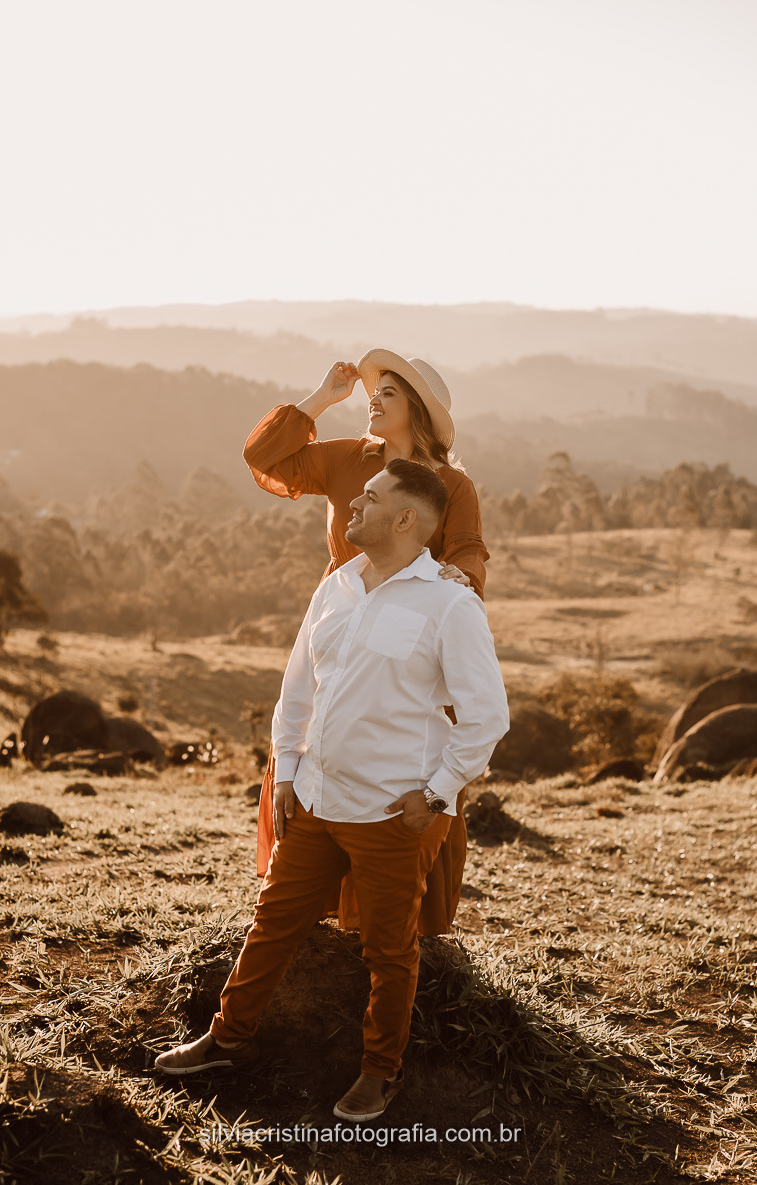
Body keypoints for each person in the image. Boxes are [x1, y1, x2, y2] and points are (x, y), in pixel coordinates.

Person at [155, 459, 509, 1123]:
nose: (352, 505)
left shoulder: (449, 605)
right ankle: (226, 1037)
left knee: (389, 950)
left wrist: (435, 796)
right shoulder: (340, 584)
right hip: (315, 799)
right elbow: (297, 689)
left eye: (369, 498)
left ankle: (380, 1072)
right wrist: (286, 772)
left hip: (389, 814)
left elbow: (488, 716)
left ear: (407, 519)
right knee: (272, 923)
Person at [243, 349, 489, 935]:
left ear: (419, 413)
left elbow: (470, 548)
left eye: (389, 394)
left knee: (399, 762)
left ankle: (391, 921)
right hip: (339, 621)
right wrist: (322, 398)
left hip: (407, 640)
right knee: (314, 735)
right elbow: (264, 457)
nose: (372, 399)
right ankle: (310, 899)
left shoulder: (452, 485)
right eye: (371, 393)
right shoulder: (350, 459)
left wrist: (462, 577)